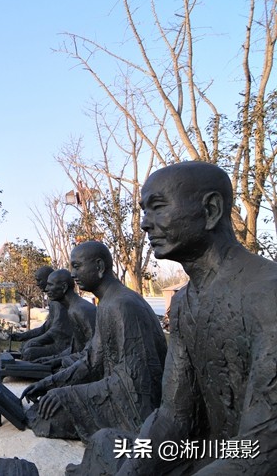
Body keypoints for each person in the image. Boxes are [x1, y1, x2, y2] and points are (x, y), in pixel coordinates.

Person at [105, 161, 277, 474]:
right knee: (109, 447)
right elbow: (173, 416)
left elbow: (264, 444)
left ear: (210, 210)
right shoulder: (184, 303)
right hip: (213, 454)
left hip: (254, 459)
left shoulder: (268, 294)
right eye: (144, 210)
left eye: (157, 207)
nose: (145, 223)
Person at [21, 241, 167, 441]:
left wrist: (69, 394)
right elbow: (93, 359)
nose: (72, 274)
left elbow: (135, 384)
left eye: (77, 266)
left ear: (99, 267)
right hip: (116, 390)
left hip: (139, 410)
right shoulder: (107, 302)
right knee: (45, 408)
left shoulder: (123, 305)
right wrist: (51, 383)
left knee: (50, 416)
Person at [33, 269, 96, 370]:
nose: (47, 288)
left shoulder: (80, 310)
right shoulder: (72, 308)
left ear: (64, 287)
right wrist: (53, 359)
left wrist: (59, 362)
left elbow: (93, 353)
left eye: (50, 285)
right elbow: (75, 349)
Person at [11, 266, 70, 360]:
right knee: (25, 346)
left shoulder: (59, 301)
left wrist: (38, 340)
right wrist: (22, 336)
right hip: (54, 342)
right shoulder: (53, 300)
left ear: (49, 279)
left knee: (29, 352)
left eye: (39, 280)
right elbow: (46, 327)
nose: (37, 284)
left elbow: (57, 330)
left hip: (62, 346)